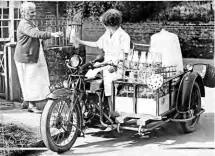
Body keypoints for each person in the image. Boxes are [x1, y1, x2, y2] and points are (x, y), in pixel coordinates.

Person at [73, 9, 131, 116]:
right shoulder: (107, 34)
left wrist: (115, 65)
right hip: (105, 63)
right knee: (87, 75)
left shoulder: (124, 36)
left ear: (111, 24)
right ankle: (87, 108)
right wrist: (80, 41)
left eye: (106, 24)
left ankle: (112, 110)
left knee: (109, 80)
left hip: (119, 66)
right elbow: (96, 44)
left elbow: (125, 55)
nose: (105, 26)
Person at [14, 2, 64, 113]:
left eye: (35, 11)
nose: (34, 14)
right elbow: (35, 34)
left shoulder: (29, 21)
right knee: (31, 80)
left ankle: (27, 101)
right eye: (32, 12)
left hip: (31, 54)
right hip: (27, 56)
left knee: (32, 79)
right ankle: (31, 105)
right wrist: (51, 34)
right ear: (24, 13)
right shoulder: (24, 24)